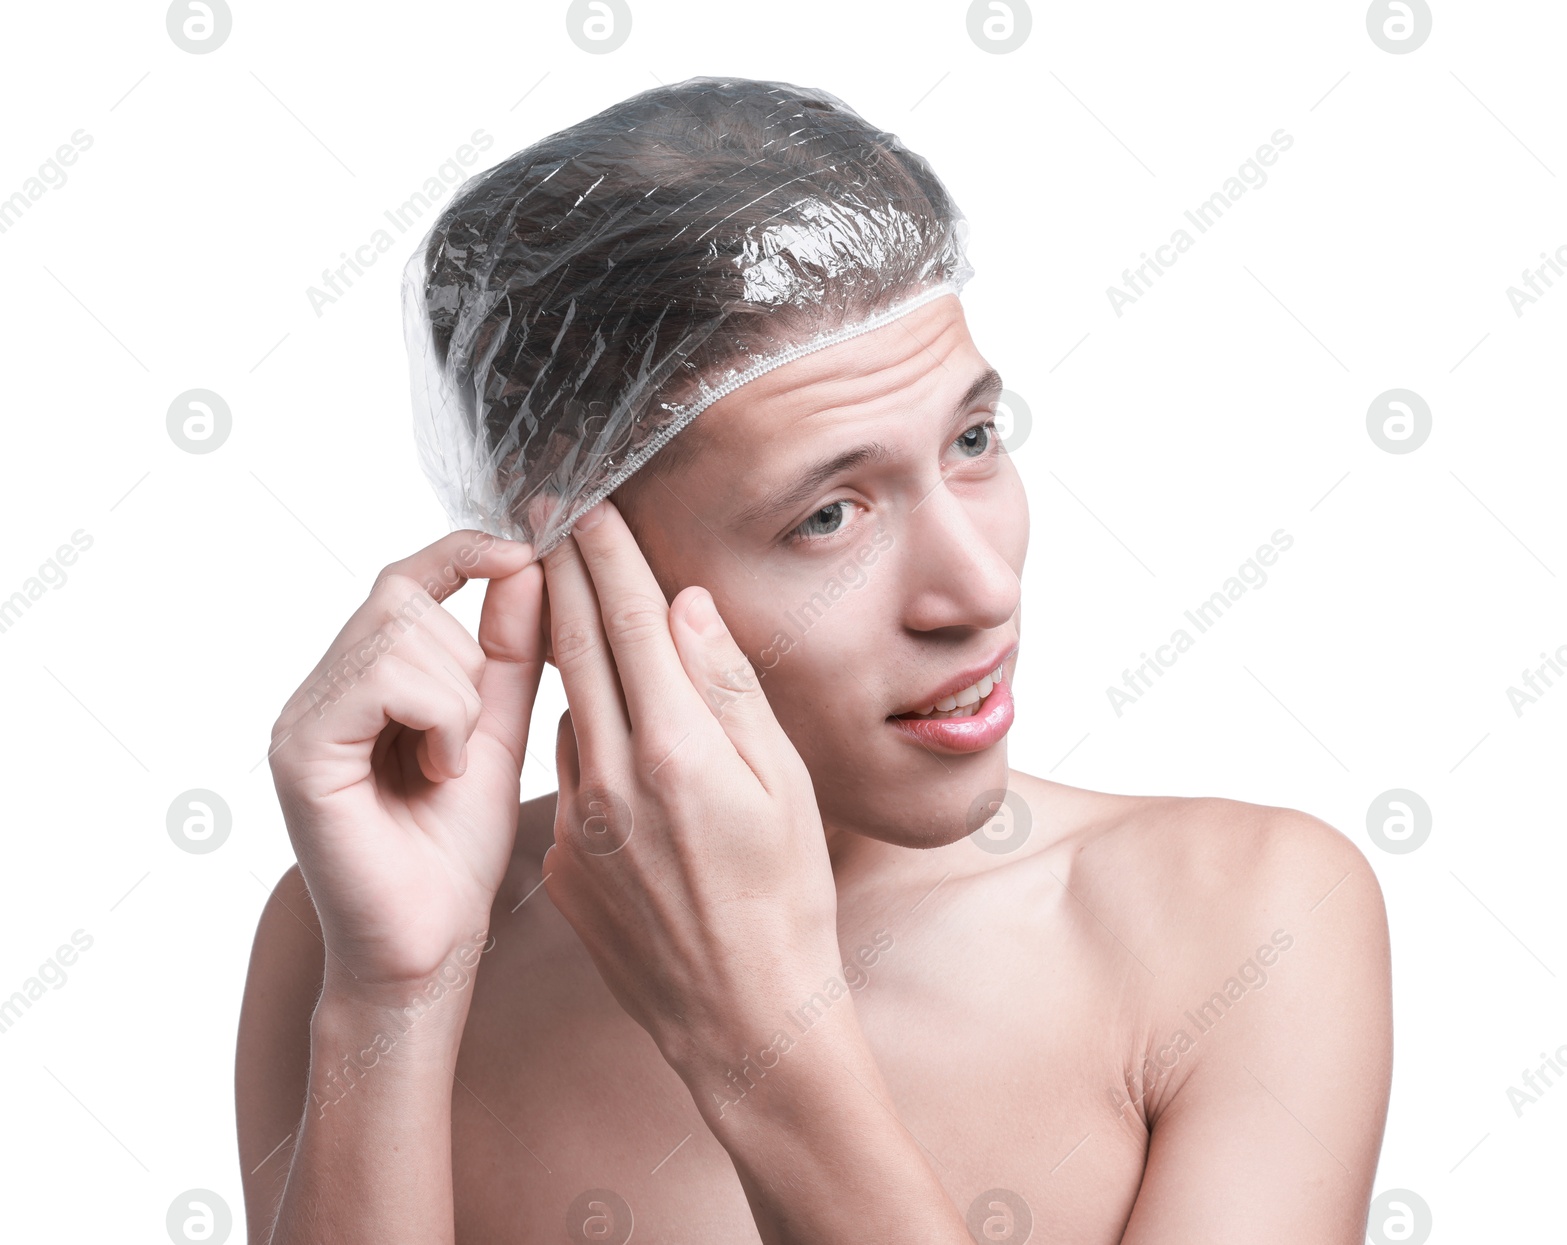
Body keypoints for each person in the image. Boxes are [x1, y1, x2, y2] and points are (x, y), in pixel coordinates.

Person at [236, 78, 1392, 1244]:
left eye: (974, 441)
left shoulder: (1245, 922)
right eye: (828, 517)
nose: (979, 590)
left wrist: (761, 1038)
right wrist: (396, 998)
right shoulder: (369, 932)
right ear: (581, 560)